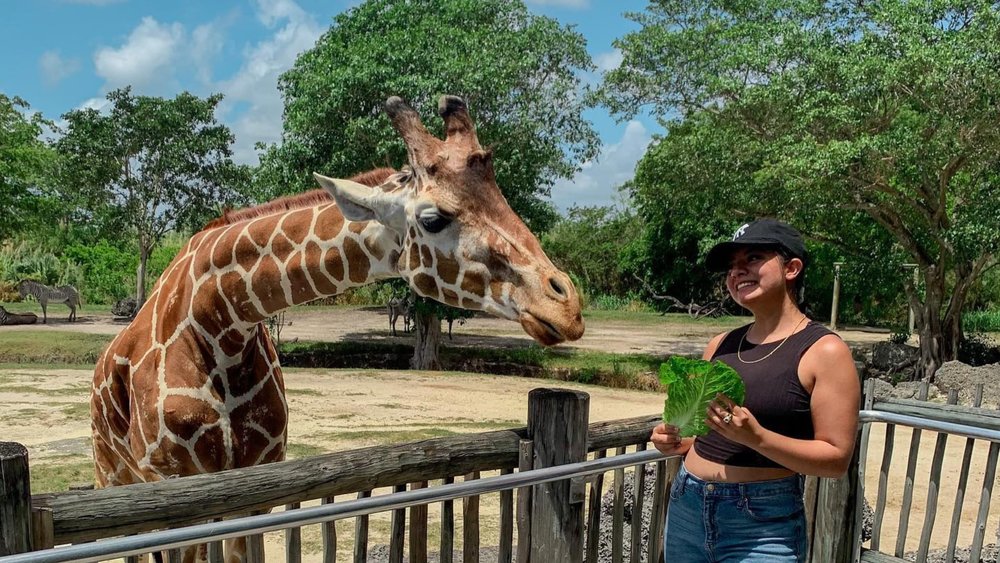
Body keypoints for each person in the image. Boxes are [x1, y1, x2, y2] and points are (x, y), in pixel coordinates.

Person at [650, 218, 860, 562]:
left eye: (753, 258)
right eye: (731, 267)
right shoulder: (720, 344)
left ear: (791, 268)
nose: (737, 272)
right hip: (687, 506)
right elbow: (702, 435)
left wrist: (757, 438)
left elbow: (835, 459)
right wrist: (676, 441)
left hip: (761, 524)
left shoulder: (825, 351)